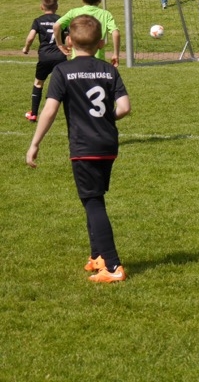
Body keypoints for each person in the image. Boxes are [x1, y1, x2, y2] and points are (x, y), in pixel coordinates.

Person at [26, 14, 131, 283]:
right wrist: (107, 118)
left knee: (93, 201)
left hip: (84, 145)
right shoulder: (109, 70)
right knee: (93, 197)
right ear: (101, 43)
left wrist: (35, 143)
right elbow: (125, 107)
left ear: (69, 42)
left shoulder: (63, 71)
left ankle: (113, 266)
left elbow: (49, 110)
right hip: (108, 143)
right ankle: (97, 256)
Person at [22, 0, 68, 122]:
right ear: (57, 6)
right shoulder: (62, 20)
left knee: (38, 83)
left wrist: (26, 48)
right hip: (60, 57)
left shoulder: (38, 21)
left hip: (44, 57)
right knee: (65, 85)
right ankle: (73, 112)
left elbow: (30, 37)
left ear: (42, 7)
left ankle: (33, 114)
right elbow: (68, 37)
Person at [53, 0, 120, 67]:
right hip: (97, 61)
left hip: (77, 61)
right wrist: (115, 54)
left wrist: (59, 44)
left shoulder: (74, 12)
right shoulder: (105, 14)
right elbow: (116, 33)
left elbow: (56, 26)